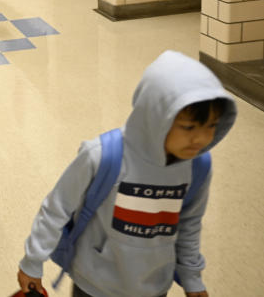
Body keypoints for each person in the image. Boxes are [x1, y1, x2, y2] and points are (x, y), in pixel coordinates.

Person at [16, 50, 237, 297]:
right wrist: (32, 262)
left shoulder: (197, 166)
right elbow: (56, 209)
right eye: (188, 127)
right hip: (94, 285)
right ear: (154, 116)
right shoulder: (103, 156)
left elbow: (188, 224)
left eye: (211, 126)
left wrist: (192, 278)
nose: (202, 138)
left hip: (154, 286)